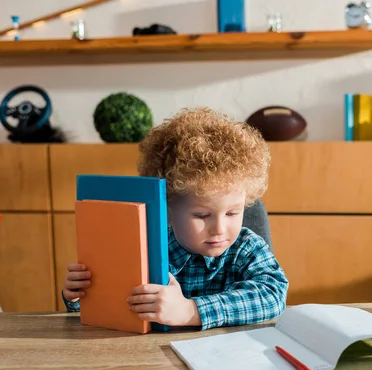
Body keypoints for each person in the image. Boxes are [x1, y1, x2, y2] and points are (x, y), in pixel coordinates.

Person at [61, 107, 289, 330]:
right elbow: (113, 309)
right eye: (202, 215)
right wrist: (79, 296)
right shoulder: (144, 252)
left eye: (232, 213)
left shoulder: (246, 248)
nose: (219, 229)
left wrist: (191, 311)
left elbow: (274, 295)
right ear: (167, 209)